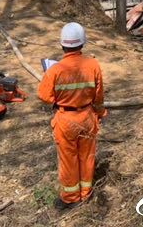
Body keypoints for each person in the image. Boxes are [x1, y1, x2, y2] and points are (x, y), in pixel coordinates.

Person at [37, 22, 106, 211]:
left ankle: (70, 197)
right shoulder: (93, 64)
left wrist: (57, 98)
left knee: (68, 159)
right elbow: (99, 96)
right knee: (87, 156)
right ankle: (86, 193)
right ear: (82, 44)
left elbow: (44, 96)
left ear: (62, 45)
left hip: (65, 120)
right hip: (87, 117)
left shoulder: (55, 70)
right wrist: (100, 113)